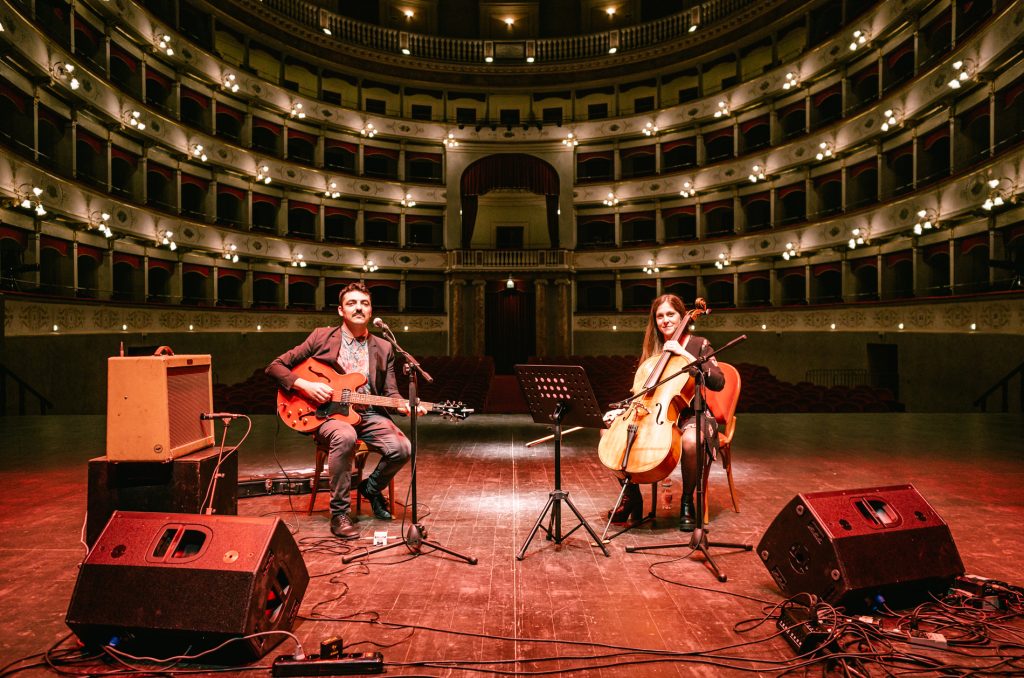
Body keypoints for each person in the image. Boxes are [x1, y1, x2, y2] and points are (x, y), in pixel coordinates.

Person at [266, 281, 426, 539]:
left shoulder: (384, 347)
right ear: (341, 310)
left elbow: (390, 393)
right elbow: (275, 367)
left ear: (371, 311)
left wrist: (405, 406)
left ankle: (370, 489)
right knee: (345, 435)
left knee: (402, 448)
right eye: (352, 303)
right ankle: (340, 513)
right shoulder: (321, 337)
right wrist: (306, 385)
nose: (358, 308)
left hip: (368, 414)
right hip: (327, 414)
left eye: (364, 303)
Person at [605, 294, 725, 531]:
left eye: (671, 314)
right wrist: (621, 413)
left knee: (691, 440)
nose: (665, 320)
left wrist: (686, 355)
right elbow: (642, 392)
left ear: (681, 317)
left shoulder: (698, 344)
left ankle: (687, 502)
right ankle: (632, 497)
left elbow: (718, 382)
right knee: (607, 431)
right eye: (660, 316)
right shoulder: (653, 350)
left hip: (693, 413)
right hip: (655, 415)